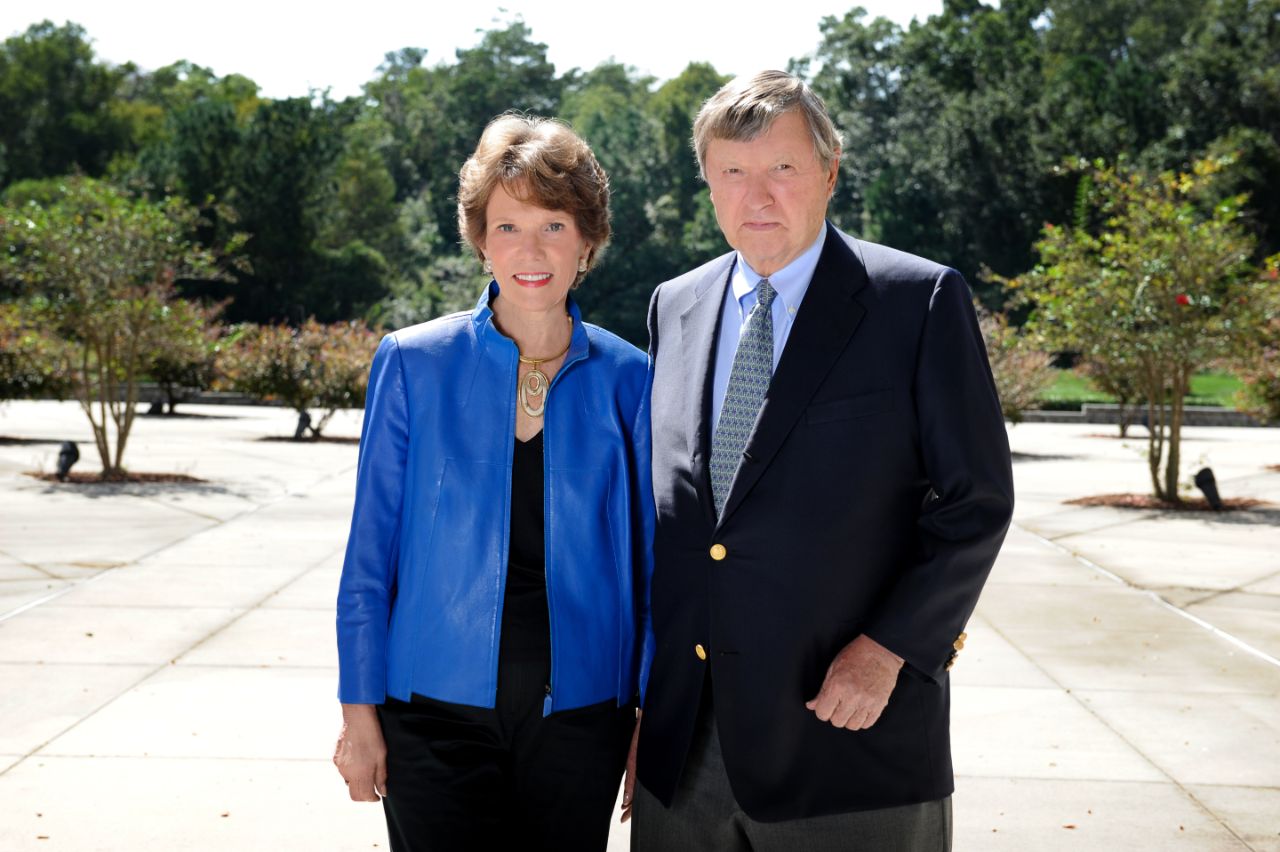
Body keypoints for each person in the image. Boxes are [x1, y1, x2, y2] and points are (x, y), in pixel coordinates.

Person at [626, 70, 1015, 850]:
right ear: (707, 182)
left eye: (782, 169)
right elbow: (678, 524)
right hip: (687, 756)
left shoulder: (918, 300)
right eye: (733, 172)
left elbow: (976, 502)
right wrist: (642, 708)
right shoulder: (676, 304)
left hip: (846, 741)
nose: (756, 195)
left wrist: (890, 650)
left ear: (829, 173)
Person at [333, 114, 651, 852]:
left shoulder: (631, 379)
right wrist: (358, 710)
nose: (530, 251)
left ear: (588, 241)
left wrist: (649, 713)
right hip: (428, 714)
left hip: (584, 716)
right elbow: (369, 557)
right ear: (480, 239)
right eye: (507, 227)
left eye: (553, 225)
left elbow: (651, 568)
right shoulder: (412, 363)